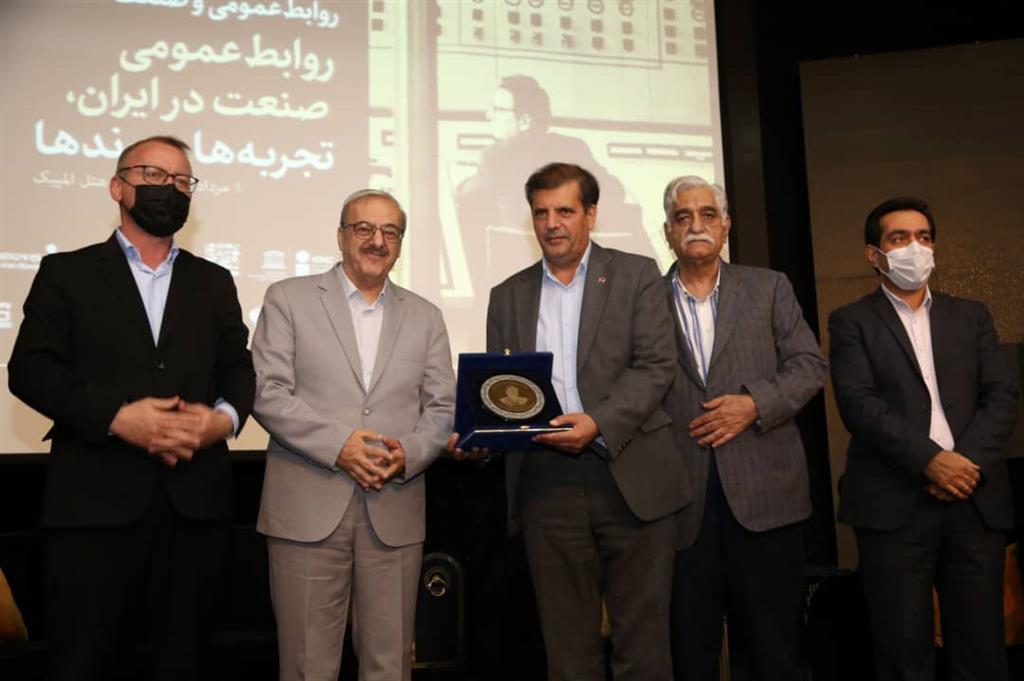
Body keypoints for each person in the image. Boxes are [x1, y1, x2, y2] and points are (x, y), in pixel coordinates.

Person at [7, 135, 255, 680]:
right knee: (84, 663)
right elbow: (30, 371)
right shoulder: (66, 273)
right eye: (154, 175)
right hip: (93, 511)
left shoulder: (214, 282)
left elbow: (239, 370)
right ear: (117, 187)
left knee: (184, 663)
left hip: (194, 512)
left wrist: (221, 421)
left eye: (182, 181)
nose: (170, 189)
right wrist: (117, 418)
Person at [456, 162, 689, 680]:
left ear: (591, 214)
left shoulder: (637, 274)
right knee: (567, 651)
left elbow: (657, 366)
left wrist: (598, 422)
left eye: (564, 210)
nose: (552, 223)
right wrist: (483, 433)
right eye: (541, 213)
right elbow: (504, 391)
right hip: (546, 484)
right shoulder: (507, 294)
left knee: (644, 648)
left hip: (631, 473)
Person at [252, 189, 455, 681]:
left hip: (395, 507)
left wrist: (408, 453)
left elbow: (442, 408)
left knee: (390, 666)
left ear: (400, 244)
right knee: (307, 666)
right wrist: (339, 446)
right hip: (306, 510)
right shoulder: (288, 298)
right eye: (363, 228)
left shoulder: (426, 315)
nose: (376, 241)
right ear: (341, 236)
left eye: (390, 232)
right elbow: (266, 391)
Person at [829, 196, 1018, 681]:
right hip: (895, 505)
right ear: (874, 254)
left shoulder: (971, 315)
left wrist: (962, 464)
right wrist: (931, 462)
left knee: (981, 653)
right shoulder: (851, 322)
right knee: (903, 655)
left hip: (974, 500)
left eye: (924, 237)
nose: (915, 247)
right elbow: (859, 405)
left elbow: (1001, 396)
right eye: (899, 238)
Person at [661, 176, 827, 680]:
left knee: (774, 651)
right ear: (667, 231)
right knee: (689, 654)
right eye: (683, 217)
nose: (696, 225)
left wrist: (755, 404)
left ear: (727, 225)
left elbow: (809, 366)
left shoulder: (769, 287)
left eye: (708, 214)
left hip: (766, 498)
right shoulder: (642, 299)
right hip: (678, 504)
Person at [455, 75, 650, 293]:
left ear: (525, 121)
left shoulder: (495, 155)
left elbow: (467, 197)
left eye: (498, 110)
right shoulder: (574, 147)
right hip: (578, 268)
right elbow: (615, 191)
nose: (488, 115)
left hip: (517, 270)